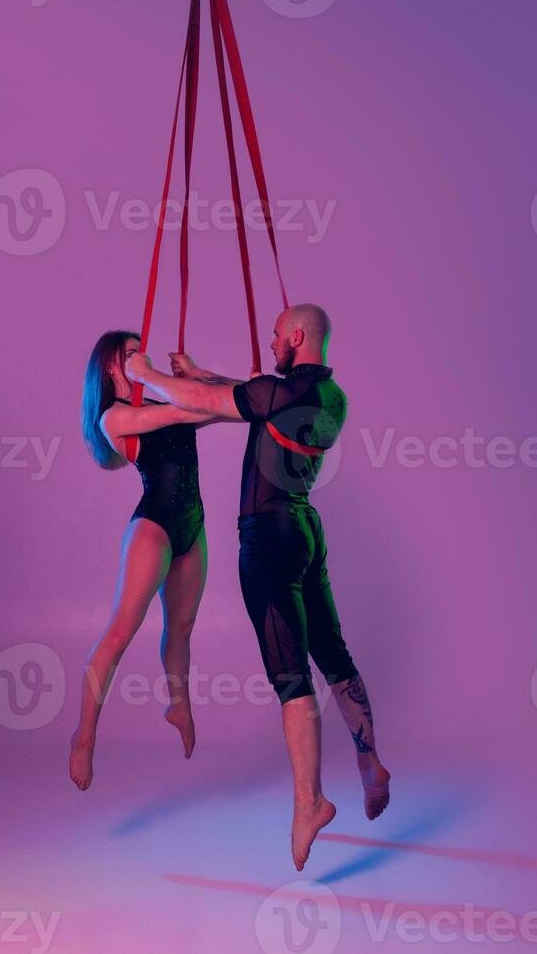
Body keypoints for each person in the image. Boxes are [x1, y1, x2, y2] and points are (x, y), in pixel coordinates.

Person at [125, 304, 391, 870]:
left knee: (290, 674)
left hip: (267, 539)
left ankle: (310, 802)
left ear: (296, 337)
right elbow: (250, 391)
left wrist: (148, 377)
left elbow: (223, 401)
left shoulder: (280, 392)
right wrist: (198, 372)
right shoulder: (329, 396)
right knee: (334, 653)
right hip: (304, 530)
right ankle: (369, 761)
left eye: (276, 335)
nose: (271, 341)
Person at [69, 330, 219, 791]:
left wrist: (197, 375)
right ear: (112, 367)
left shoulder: (159, 399)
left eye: (142, 350)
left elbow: (219, 406)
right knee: (120, 633)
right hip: (154, 527)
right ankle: (85, 736)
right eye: (131, 354)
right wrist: (176, 384)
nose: (142, 358)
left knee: (183, 627)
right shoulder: (114, 418)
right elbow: (191, 408)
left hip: (193, 524)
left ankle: (179, 704)